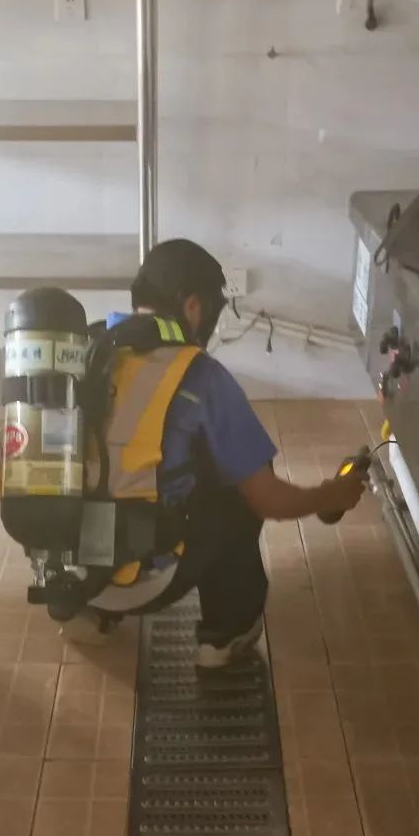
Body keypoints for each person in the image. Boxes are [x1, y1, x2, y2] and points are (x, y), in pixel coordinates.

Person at [56, 238, 367, 668]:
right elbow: (268, 500)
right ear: (192, 306)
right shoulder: (201, 375)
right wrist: (329, 495)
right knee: (240, 486)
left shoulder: (87, 348)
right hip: (149, 579)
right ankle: (225, 634)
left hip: (67, 573)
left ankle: (88, 615)